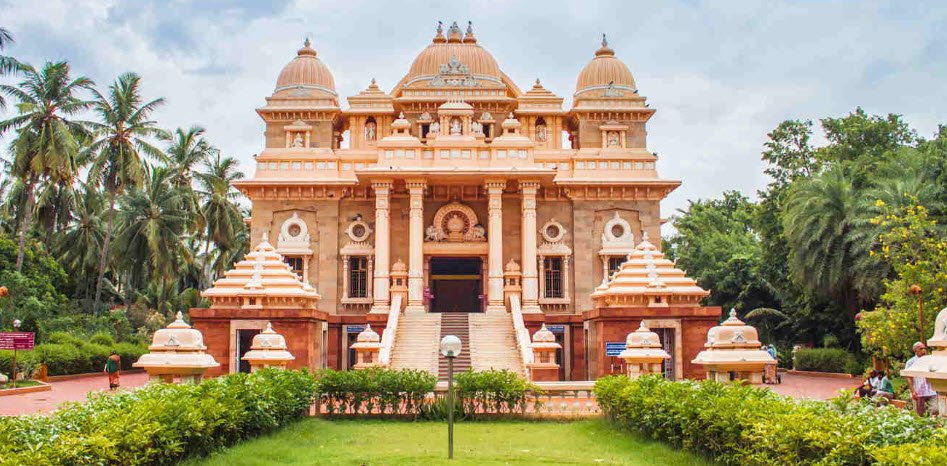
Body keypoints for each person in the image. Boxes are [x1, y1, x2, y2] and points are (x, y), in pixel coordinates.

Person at [905, 342, 937, 416]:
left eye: (924, 348)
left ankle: (932, 425)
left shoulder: (930, 360)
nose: (924, 350)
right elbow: (908, 377)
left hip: (931, 390)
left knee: (935, 409)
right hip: (918, 392)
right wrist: (913, 391)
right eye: (921, 349)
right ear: (915, 351)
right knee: (919, 414)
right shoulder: (910, 362)